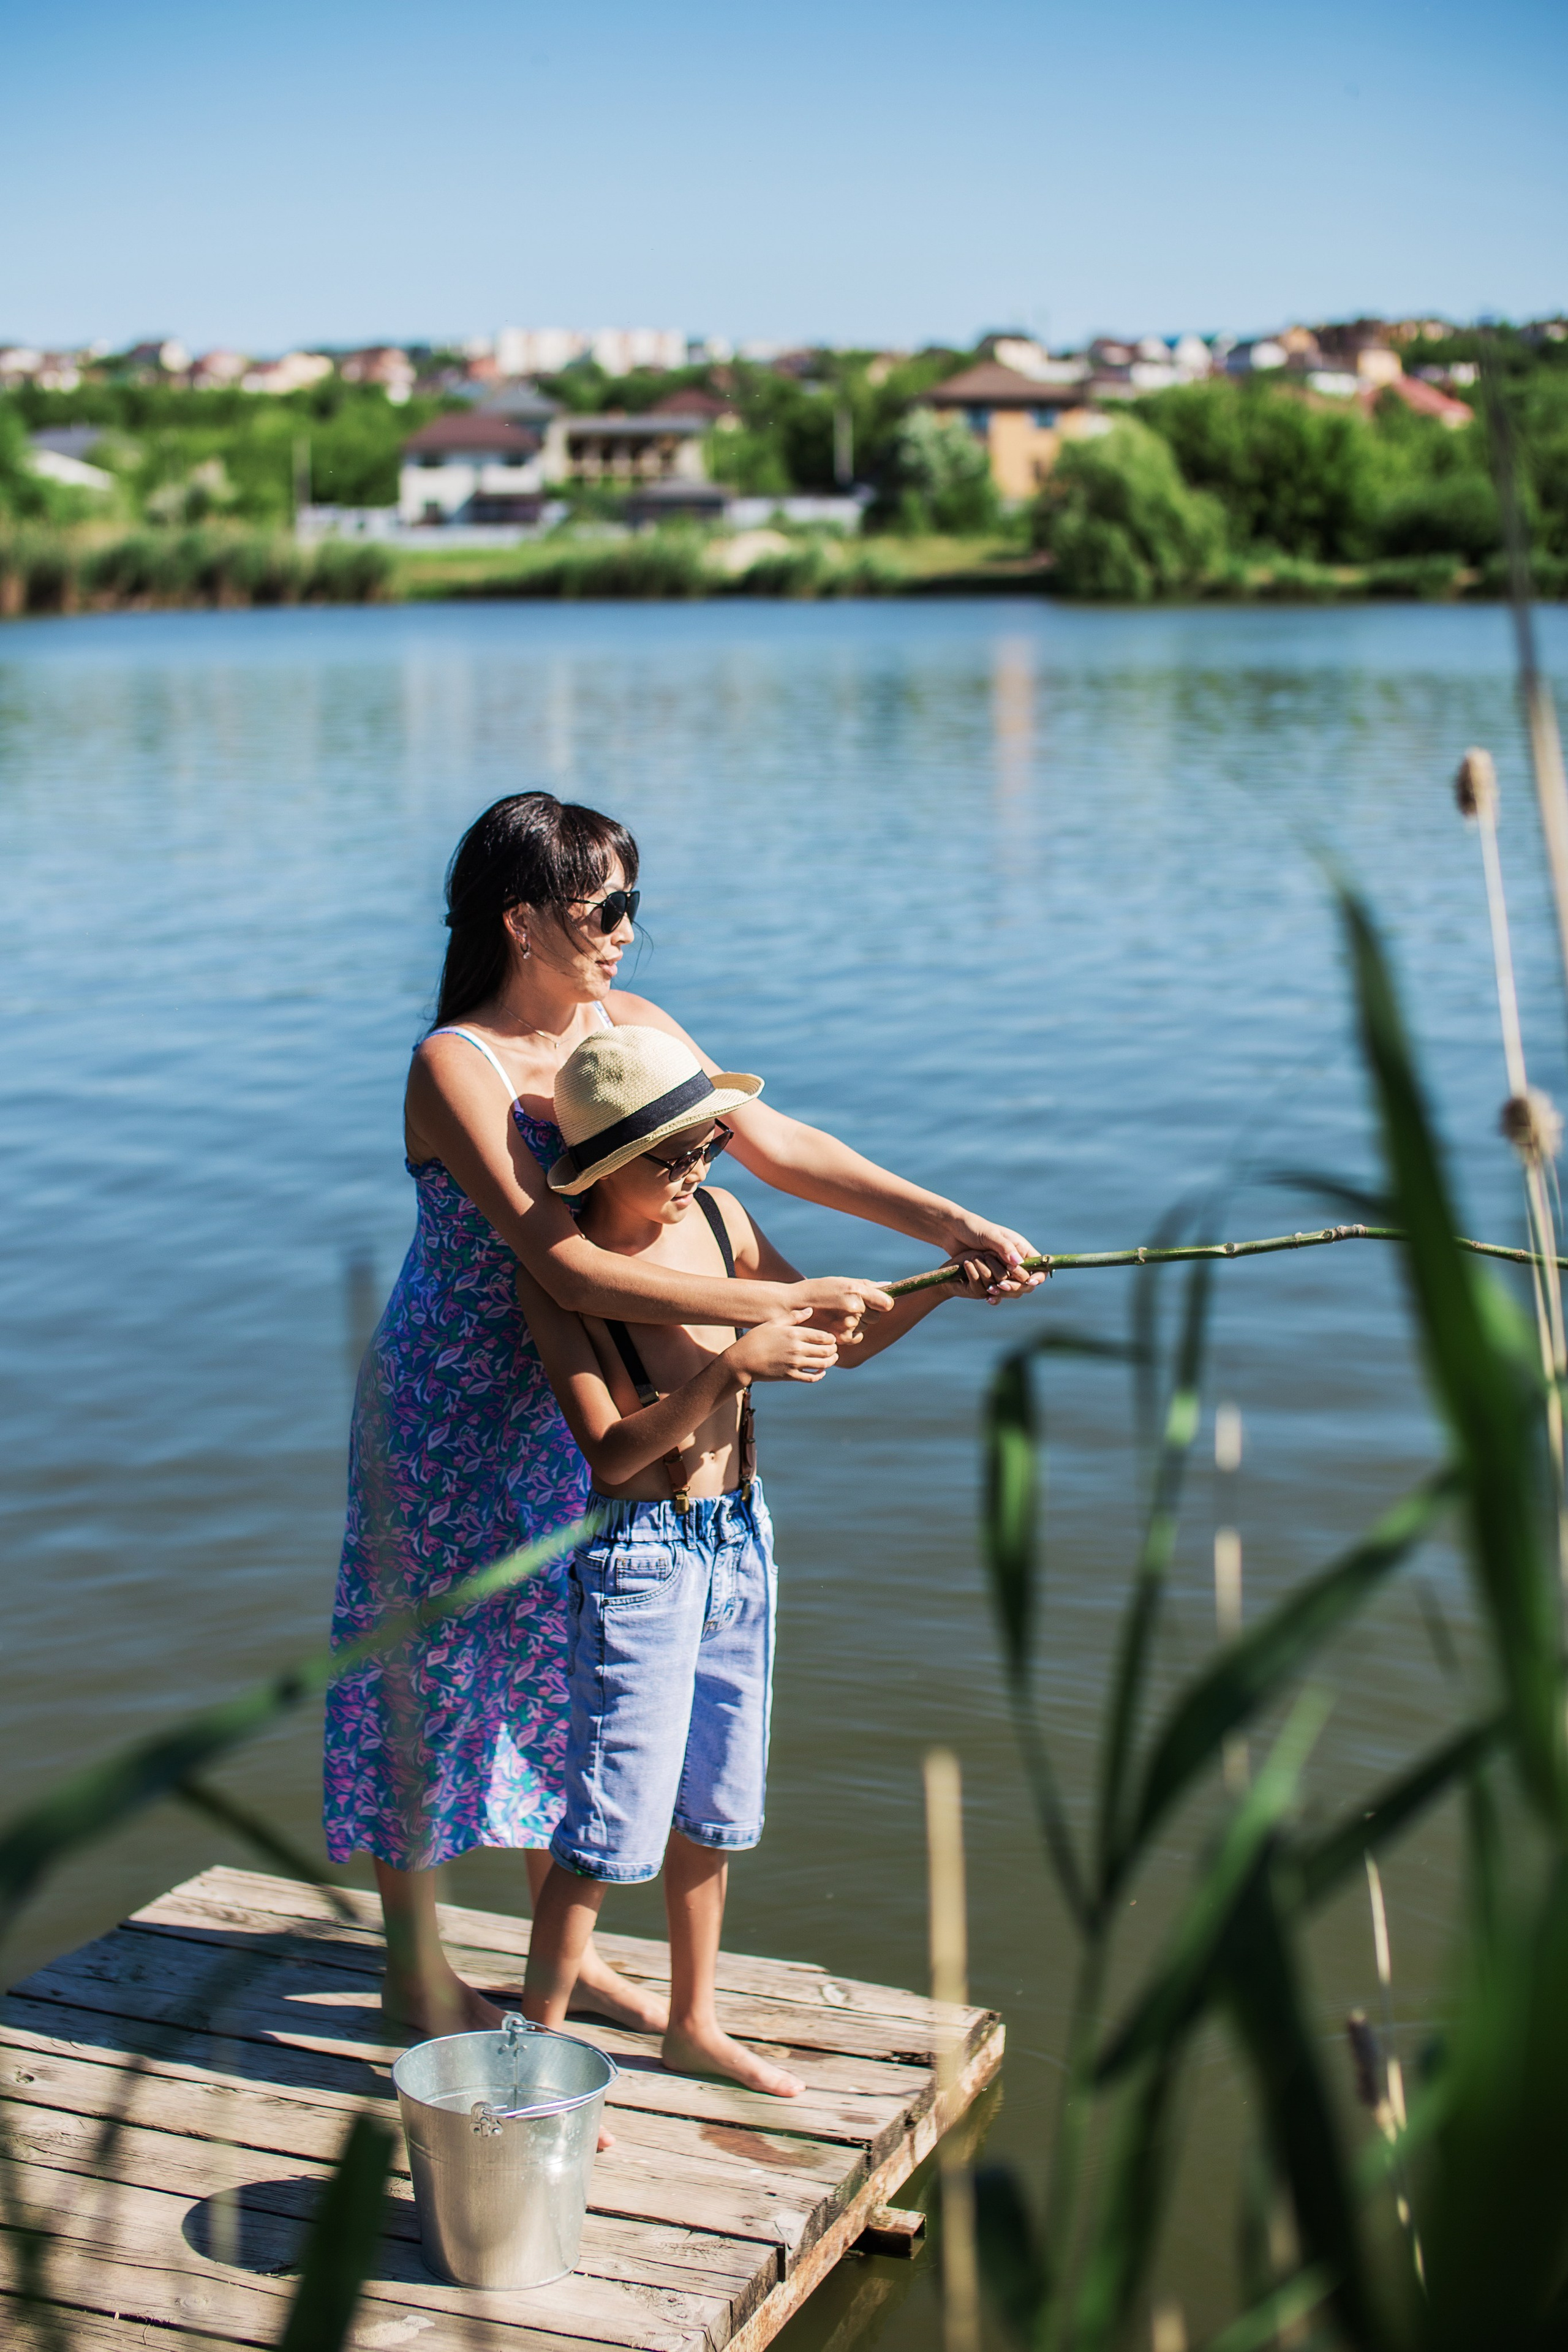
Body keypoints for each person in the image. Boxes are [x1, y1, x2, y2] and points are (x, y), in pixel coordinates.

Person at [323, 791, 1041, 2037]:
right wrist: (764, 1309)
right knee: (430, 1666)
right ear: (522, 921)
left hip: (594, 1385)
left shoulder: (633, 1029)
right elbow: (566, 1265)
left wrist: (946, 1224)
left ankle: (568, 1955)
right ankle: (415, 1967)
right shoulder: (458, 1063)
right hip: (455, 1399)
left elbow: (772, 1142)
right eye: (601, 907)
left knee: (570, 1669)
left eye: (629, 904)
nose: (623, 931)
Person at [516, 1024, 1016, 2093]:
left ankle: (695, 2019)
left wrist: (939, 1286)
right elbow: (609, 1456)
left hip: (739, 1539)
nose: (699, 1164)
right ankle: (535, 2064)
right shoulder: (567, 1281)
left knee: (717, 1800)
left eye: (706, 1141)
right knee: (608, 1819)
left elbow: (846, 1338)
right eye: (676, 1152)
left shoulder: (720, 1215)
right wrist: (729, 1370)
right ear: (605, 1162)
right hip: (640, 1559)